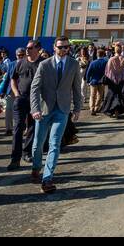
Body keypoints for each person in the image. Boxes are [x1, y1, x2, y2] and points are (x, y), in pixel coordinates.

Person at [30, 37, 82, 194]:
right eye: (61, 47)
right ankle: (36, 167)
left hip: (63, 109)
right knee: (38, 144)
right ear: (54, 47)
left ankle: (47, 179)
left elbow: (76, 89)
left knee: (55, 143)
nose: (64, 50)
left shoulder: (74, 64)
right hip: (44, 109)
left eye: (66, 47)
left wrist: (77, 108)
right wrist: (35, 108)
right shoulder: (44, 65)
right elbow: (35, 88)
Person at [7, 41, 41, 168]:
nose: (27, 50)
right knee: (18, 128)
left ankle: (27, 153)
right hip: (20, 99)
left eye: (30, 48)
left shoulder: (42, 64)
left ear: (38, 49)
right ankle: (15, 159)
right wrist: (16, 93)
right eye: (27, 48)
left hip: (36, 101)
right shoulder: (20, 63)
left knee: (32, 127)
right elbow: (13, 79)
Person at [104, 43, 124, 116]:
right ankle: (117, 110)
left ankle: (112, 109)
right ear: (121, 50)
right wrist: (121, 77)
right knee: (119, 94)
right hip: (121, 80)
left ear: (115, 51)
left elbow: (107, 71)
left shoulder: (111, 59)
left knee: (112, 95)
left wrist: (113, 78)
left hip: (112, 80)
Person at [86, 48, 109, 114]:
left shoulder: (93, 62)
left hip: (93, 81)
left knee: (92, 95)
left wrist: (88, 80)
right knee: (100, 95)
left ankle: (92, 108)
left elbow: (88, 72)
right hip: (101, 82)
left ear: (97, 54)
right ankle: (96, 107)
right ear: (103, 54)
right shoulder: (105, 62)